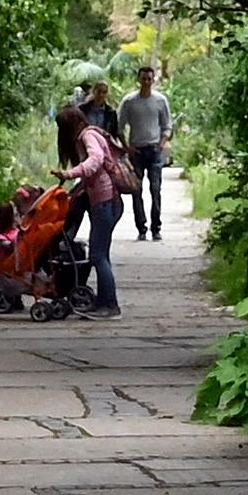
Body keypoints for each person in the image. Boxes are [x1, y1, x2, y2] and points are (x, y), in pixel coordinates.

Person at [58, 90, 131, 315]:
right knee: (102, 254)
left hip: (105, 201)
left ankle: (110, 305)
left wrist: (70, 174)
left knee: (98, 255)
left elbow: (95, 162)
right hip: (107, 201)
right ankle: (104, 300)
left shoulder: (87, 136)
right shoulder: (92, 133)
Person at [117, 59, 172, 242]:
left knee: (155, 189)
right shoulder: (130, 101)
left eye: (149, 79)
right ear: (139, 80)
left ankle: (156, 228)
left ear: (153, 80)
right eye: (144, 79)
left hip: (154, 150)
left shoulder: (160, 100)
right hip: (137, 151)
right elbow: (119, 126)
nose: (146, 82)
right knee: (136, 191)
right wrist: (126, 147)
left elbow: (167, 125)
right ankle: (141, 227)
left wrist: (161, 143)